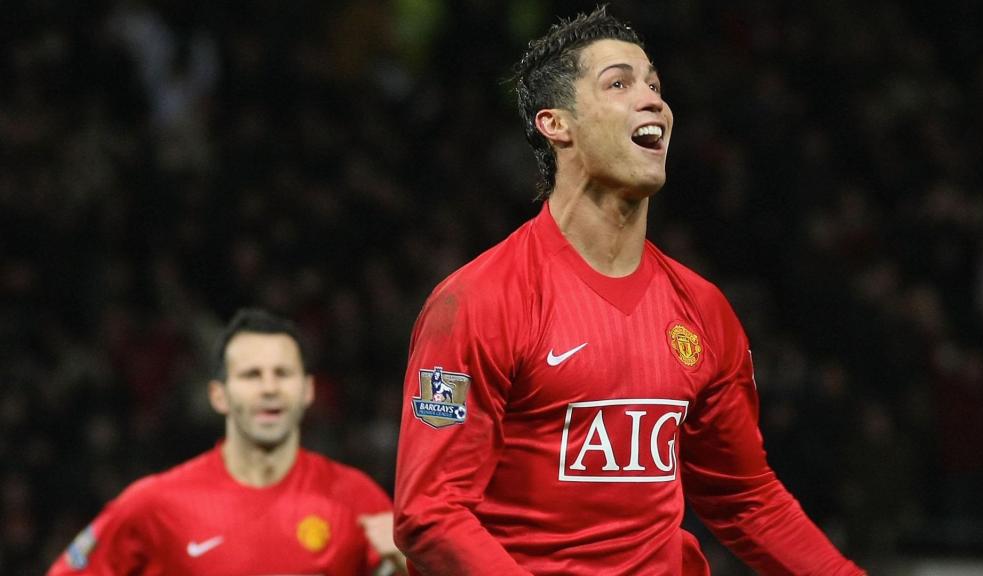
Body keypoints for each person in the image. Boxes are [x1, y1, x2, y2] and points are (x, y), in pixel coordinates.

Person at [393, 6, 865, 575]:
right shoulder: (478, 300)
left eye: (655, 86)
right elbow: (430, 511)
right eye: (619, 83)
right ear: (556, 124)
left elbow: (748, 500)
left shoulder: (705, 312)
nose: (653, 101)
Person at [48, 308, 407, 576]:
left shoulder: (358, 500)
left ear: (308, 390)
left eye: (282, 373)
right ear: (219, 395)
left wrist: (409, 564)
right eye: (251, 375)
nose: (269, 388)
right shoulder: (155, 505)